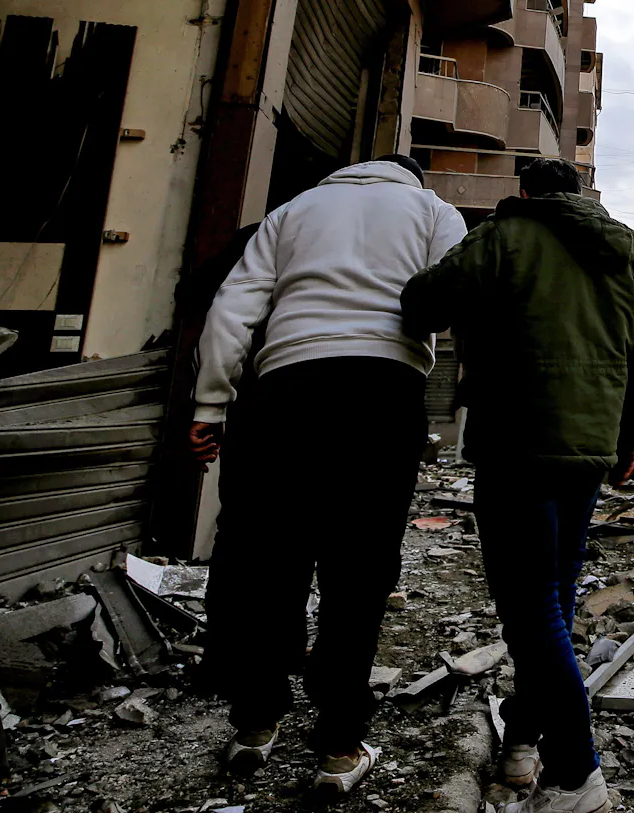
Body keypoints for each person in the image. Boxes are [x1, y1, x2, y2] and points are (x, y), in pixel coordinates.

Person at [190, 153, 467, 794]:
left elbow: (233, 306)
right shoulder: (432, 211)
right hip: (382, 391)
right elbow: (462, 293)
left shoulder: (292, 211)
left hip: (283, 388)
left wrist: (210, 403)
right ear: (412, 180)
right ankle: (339, 744)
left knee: (272, 560)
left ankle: (256, 723)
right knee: (360, 570)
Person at [401, 158, 634, 813]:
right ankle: (522, 740)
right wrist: (628, 437)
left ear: (524, 192)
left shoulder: (504, 235)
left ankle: (578, 773)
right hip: (586, 453)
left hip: (515, 443)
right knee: (547, 602)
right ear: (579, 196)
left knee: (533, 610)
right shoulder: (624, 255)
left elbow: (423, 302)